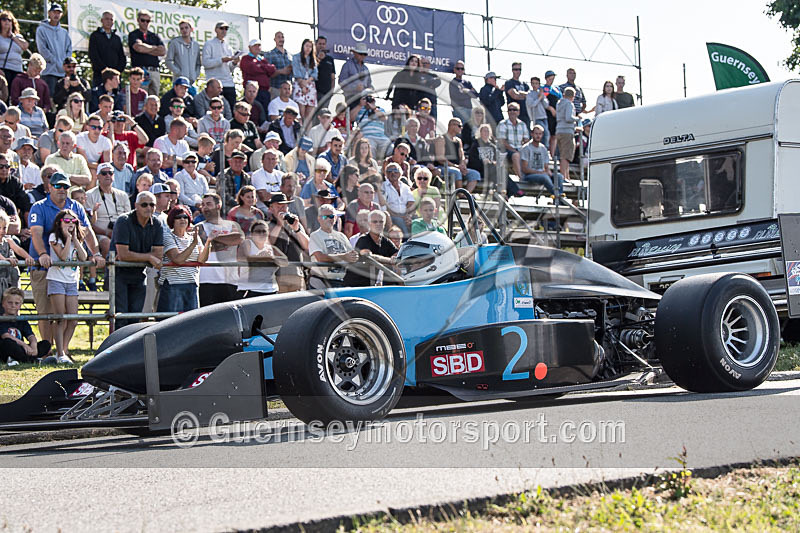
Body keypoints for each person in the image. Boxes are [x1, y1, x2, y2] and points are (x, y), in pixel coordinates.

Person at [111, 191, 164, 328]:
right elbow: (123, 255)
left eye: (152, 205)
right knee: (121, 316)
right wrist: (148, 257)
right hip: (119, 274)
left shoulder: (157, 224)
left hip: (140, 274)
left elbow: (158, 254)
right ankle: (117, 348)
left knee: (135, 317)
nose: (149, 208)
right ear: (136, 206)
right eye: (144, 204)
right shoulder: (124, 221)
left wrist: (134, 256)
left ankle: (130, 348)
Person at [46, 207, 87, 362]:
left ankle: (63, 349)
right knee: (60, 318)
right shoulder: (53, 237)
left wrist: (75, 239)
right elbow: (62, 257)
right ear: (60, 223)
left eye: (73, 220)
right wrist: (68, 238)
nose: (71, 223)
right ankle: (60, 353)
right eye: (67, 220)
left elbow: (83, 257)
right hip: (56, 279)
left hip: (71, 281)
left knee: (73, 319)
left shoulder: (77, 239)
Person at [157, 204, 210, 313]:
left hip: (192, 284)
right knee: (170, 322)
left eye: (185, 217)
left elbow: (201, 260)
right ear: (172, 220)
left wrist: (209, 243)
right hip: (173, 284)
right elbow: (177, 259)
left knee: (191, 323)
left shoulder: (194, 237)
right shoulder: (167, 236)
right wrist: (193, 244)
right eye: (178, 217)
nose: (182, 219)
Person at [196, 193, 244, 305]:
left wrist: (213, 238)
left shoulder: (232, 225)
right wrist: (227, 242)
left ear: (218, 205)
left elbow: (239, 238)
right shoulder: (199, 227)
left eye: (208, 204)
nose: (205, 207)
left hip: (230, 280)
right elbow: (205, 246)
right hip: (206, 280)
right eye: (203, 205)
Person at [88, 161, 130, 265]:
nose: (108, 175)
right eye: (104, 173)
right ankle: (108, 275)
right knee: (107, 243)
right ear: (97, 176)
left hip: (121, 233)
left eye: (110, 173)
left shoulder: (123, 195)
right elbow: (88, 224)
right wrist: (106, 233)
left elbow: (129, 218)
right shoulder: (90, 195)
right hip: (100, 234)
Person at [308, 203, 358, 288]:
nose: (328, 219)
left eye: (331, 216)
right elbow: (320, 258)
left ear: (335, 218)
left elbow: (352, 255)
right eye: (325, 217)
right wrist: (344, 256)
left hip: (340, 280)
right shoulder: (315, 235)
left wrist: (355, 256)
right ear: (319, 219)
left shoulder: (341, 236)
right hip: (321, 280)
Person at [266, 192, 308, 292]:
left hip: (296, 273)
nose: (282, 209)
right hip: (276, 275)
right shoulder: (267, 225)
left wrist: (297, 229)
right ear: (271, 208)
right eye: (278, 206)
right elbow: (268, 243)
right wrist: (280, 224)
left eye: (284, 206)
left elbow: (307, 246)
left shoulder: (294, 223)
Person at [343, 209, 396, 287]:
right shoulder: (363, 239)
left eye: (381, 222)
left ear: (384, 224)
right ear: (369, 224)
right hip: (354, 285)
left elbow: (397, 255)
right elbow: (369, 256)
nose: (378, 224)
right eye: (375, 222)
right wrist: (390, 260)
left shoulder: (385, 241)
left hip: (370, 284)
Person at [0, 287, 51, 366]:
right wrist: (24, 345)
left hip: (21, 349)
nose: (13, 306)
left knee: (46, 344)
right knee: (8, 343)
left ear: (20, 305)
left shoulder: (22, 320)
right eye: (10, 303)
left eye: (16, 303)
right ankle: (34, 360)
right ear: (3, 303)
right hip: (7, 348)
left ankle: (27, 358)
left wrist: (33, 346)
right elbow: (6, 336)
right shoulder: (1, 319)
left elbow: (30, 335)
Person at [237, 218, 287, 297]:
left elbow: (285, 261)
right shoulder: (247, 243)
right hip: (250, 290)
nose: (261, 234)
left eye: (264, 231)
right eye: (258, 231)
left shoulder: (271, 248)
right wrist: (263, 257)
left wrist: (272, 258)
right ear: (252, 234)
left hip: (271, 290)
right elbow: (243, 259)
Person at [434, 118, 481, 192]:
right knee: (456, 172)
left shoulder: (458, 141)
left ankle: (466, 194)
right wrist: (456, 166)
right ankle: (459, 193)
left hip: (457, 167)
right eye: (459, 126)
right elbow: (441, 159)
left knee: (475, 174)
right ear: (452, 126)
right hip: (444, 167)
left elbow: (462, 156)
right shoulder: (441, 139)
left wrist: (462, 166)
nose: (461, 128)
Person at [203, 21, 240, 111]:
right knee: (214, 109)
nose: (224, 31)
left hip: (228, 83)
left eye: (226, 29)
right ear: (216, 30)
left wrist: (235, 63)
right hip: (214, 84)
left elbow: (229, 68)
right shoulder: (209, 44)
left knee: (231, 110)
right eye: (221, 28)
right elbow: (206, 63)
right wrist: (222, 60)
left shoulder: (228, 47)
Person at [128, 10, 166, 96]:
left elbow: (163, 51)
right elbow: (139, 48)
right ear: (138, 20)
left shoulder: (154, 36)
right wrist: (154, 48)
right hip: (141, 71)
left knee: (154, 99)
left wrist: (146, 48)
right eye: (143, 20)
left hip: (155, 70)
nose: (145, 23)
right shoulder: (134, 34)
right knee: (141, 97)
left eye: (148, 21)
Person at [521, 124, 563, 199]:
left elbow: (546, 167)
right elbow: (525, 169)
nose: (538, 136)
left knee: (559, 176)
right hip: (529, 176)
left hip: (542, 174)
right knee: (544, 177)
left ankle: (558, 197)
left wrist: (550, 173)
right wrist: (540, 173)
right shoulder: (526, 148)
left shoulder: (543, 148)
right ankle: (558, 196)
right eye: (536, 133)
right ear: (532, 134)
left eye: (540, 134)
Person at [88, 11, 126, 87]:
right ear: (102, 20)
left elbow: (122, 57)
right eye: (107, 19)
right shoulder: (95, 36)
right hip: (99, 76)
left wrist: (116, 72)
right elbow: (93, 55)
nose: (109, 21)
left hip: (116, 77)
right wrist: (105, 70)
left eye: (111, 20)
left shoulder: (117, 38)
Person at [240, 39, 276, 117]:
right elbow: (253, 68)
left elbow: (272, 69)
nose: (257, 47)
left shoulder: (262, 59)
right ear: (249, 47)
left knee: (264, 113)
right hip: (252, 91)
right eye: (254, 46)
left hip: (264, 91)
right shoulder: (245, 58)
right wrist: (265, 68)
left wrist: (261, 66)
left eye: (259, 45)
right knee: (252, 113)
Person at [0, 210, 32, 293]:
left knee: (11, 296)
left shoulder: (7, 240)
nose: (2, 231)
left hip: (7, 277)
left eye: (4, 228)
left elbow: (18, 249)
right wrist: (4, 259)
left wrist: (28, 257)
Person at [380, 162, 415, 236]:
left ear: (400, 173)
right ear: (386, 174)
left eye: (395, 170)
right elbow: (385, 206)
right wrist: (400, 216)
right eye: (390, 171)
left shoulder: (405, 187)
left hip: (405, 215)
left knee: (417, 221)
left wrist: (408, 215)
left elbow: (411, 203)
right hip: (392, 216)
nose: (393, 173)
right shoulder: (383, 187)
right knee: (400, 221)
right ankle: (407, 240)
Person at [496, 102, 529, 179]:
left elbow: (526, 140)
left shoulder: (523, 124)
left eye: (515, 110)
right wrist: (514, 150)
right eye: (510, 110)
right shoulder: (502, 124)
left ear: (518, 112)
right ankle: (521, 177)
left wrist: (524, 149)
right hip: (506, 150)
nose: (512, 112)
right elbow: (502, 141)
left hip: (520, 149)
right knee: (516, 155)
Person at [76, 114, 112, 181]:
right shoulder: (80, 138)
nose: (97, 130)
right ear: (87, 127)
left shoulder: (106, 141)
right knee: (93, 173)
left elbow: (108, 164)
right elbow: (84, 163)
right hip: (79, 168)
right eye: (93, 127)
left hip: (96, 169)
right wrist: (100, 166)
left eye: (99, 128)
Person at [165, 19, 202, 86]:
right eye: (182, 28)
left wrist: (195, 75)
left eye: (186, 28)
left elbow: (198, 64)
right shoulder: (174, 43)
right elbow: (168, 61)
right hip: (179, 82)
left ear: (191, 29)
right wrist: (178, 73)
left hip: (192, 83)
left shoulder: (196, 45)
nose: (184, 30)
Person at [291, 39, 318, 123]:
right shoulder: (296, 57)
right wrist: (303, 85)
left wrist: (307, 82)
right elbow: (296, 73)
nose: (308, 48)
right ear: (303, 46)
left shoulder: (313, 59)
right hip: (299, 85)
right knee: (300, 114)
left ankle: (308, 133)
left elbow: (315, 74)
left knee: (309, 117)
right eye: (306, 46)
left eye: (310, 47)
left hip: (310, 85)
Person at [556, 87, 580, 179]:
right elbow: (568, 118)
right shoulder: (569, 104)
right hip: (567, 131)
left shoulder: (559, 103)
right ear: (573, 96)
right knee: (566, 156)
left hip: (559, 130)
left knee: (563, 155)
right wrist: (578, 118)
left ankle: (566, 176)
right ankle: (564, 177)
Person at [339, 43, 372, 108]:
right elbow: (341, 82)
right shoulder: (347, 65)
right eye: (360, 53)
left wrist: (370, 90)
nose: (362, 56)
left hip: (364, 99)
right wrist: (354, 88)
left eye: (365, 54)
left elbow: (369, 84)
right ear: (355, 53)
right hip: (351, 98)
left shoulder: (366, 69)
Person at [0, 11, 28, 87]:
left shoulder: (17, 37)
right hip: (4, 69)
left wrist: (13, 36)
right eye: (4, 19)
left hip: (18, 70)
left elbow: (25, 46)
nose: (7, 22)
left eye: (9, 20)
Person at [265, 31, 293, 100]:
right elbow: (267, 74)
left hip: (288, 90)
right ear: (275, 39)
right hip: (276, 88)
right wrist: (280, 71)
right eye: (279, 37)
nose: (281, 39)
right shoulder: (270, 54)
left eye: (282, 37)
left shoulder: (289, 55)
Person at [526, 76, 550, 148]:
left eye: (536, 83)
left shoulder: (541, 93)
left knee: (546, 134)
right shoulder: (529, 94)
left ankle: (544, 148)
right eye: (533, 83)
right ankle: (543, 147)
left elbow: (546, 105)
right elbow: (532, 104)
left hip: (544, 116)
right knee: (543, 133)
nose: (534, 85)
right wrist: (539, 98)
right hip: (536, 117)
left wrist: (542, 96)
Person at [542, 70, 561, 156]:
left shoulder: (557, 89)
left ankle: (552, 154)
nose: (551, 79)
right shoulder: (543, 88)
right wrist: (550, 109)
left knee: (554, 135)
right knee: (548, 134)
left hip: (556, 114)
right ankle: (546, 152)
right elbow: (543, 101)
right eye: (550, 78)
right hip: (547, 114)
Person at [315, 36, 336, 106]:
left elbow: (333, 76)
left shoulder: (330, 59)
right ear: (316, 44)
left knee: (324, 114)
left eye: (323, 44)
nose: (321, 46)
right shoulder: (312, 57)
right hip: (315, 92)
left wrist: (332, 90)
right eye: (320, 44)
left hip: (326, 93)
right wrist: (318, 59)